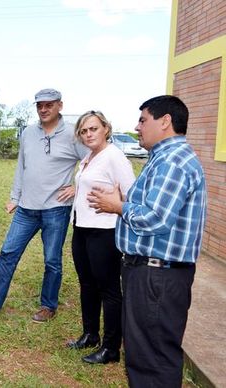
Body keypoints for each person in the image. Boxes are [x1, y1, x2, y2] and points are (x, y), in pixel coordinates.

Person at [88, 95, 206, 386]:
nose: (137, 127)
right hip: (153, 273)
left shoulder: (173, 161)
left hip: (157, 276)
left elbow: (156, 218)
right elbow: (156, 205)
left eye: (143, 120)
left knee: (152, 358)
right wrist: (124, 201)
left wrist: (117, 206)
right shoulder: (165, 158)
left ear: (165, 121)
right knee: (145, 354)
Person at [0, 88, 88, 322]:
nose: (43, 109)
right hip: (26, 209)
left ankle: (48, 306)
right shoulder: (29, 133)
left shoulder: (73, 134)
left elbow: (93, 159)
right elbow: (22, 167)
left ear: (60, 105)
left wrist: (77, 187)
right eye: (39, 105)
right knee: (8, 253)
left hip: (56, 210)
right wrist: (14, 197)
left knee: (52, 259)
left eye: (49, 105)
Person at [67, 111, 135, 364]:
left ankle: (111, 348)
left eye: (93, 129)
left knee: (109, 289)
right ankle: (90, 335)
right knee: (87, 283)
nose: (88, 135)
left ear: (106, 128)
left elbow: (131, 194)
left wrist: (118, 202)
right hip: (82, 227)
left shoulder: (114, 156)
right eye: (83, 131)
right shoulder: (90, 156)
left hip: (104, 230)